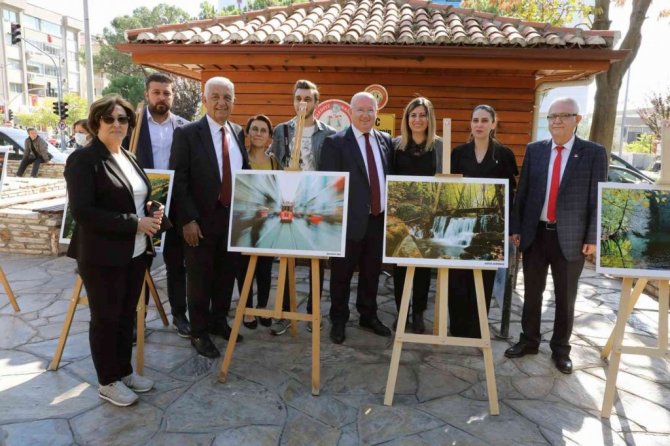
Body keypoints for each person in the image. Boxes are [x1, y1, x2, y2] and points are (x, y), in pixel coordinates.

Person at [64, 94, 164, 407]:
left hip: (135, 252)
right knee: (106, 318)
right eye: (109, 118)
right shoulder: (84, 159)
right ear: (97, 122)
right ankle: (108, 381)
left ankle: (124, 372)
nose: (117, 124)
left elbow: (134, 197)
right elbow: (83, 212)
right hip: (101, 255)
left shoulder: (127, 155)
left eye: (123, 119)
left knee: (124, 316)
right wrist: (136, 222)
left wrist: (151, 208)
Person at [504, 97, 608, 374]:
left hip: (571, 238)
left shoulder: (593, 153)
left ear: (577, 120)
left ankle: (561, 350)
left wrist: (593, 236)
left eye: (564, 115)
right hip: (536, 235)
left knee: (565, 297)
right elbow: (522, 192)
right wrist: (516, 227)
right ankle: (529, 341)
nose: (557, 121)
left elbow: (598, 198)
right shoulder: (535, 150)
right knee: (532, 293)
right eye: (552, 116)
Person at [170, 76, 249, 358]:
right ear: (204, 100)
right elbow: (179, 180)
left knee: (226, 276)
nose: (221, 102)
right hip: (200, 223)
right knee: (200, 280)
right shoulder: (187, 133)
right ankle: (199, 332)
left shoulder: (237, 132)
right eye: (215, 96)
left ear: (234, 101)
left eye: (227, 97)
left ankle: (218, 321)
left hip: (232, 220)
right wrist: (187, 220)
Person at [319, 92, 393, 344]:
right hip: (347, 222)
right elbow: (329, 186)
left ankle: (368, 315)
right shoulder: (335, 143)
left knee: (372, 273)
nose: (365, 115)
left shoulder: (385, 141)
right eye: (360, 109)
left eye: (370, 110)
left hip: (378, 220)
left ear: (376, 113)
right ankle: (338, 319)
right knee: (341, 275)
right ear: (351, 112)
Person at [270, 79, 335, 335]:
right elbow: (275, 165)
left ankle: (312, 311)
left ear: (316, 102)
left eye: (308, 98)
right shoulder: (282, 131)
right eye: (298, 98)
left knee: (316, 260)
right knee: (287, 257)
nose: (302, 103)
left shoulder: (328, 133)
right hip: (288, 201)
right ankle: (285, 311)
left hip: (316, 202)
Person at [450, 104, 519, 338]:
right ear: (470, 124)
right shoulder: (458, 153)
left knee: (484, 278)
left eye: (484, 120)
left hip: (491, 229)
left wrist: (509, 227)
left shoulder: (504, 154)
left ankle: (477, 329)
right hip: (462, 227)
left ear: (493, 124)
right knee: (458, 278)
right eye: (475, 120)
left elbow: (510, 193)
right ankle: (458, 328)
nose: (479, 125)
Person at [135, 72, 191, 337]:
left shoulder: (184, 127)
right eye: (156, 92)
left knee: (176, 264)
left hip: (175, 205)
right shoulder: (133, 125)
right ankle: (138, 319)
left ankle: (179, 315)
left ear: (173, 96)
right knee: (140, 264)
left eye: (166, 93)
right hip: (142, 204)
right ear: (147, 94)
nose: (161, 97)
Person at [391, 97, 443, 334]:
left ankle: (419, 313)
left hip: (428, 217)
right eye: (413, 115)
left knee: (422, 267)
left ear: (429, 119)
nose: (417, 119)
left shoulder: (439, 147)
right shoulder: (396, 146)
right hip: (400, 217)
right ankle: (401, 311)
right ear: (407, 119)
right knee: (400, 267)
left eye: (422, 115)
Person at [237, 114, 280, 330]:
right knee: (244, 270)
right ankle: (246, 310)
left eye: (263, 130)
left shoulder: (274, 162)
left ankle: (262, 308)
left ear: (269, 136)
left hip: (267, 224)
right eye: (254, 129)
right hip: (244, 223)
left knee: (265, 269)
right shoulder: (240, 158)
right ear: (248, 132)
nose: (258, 134)